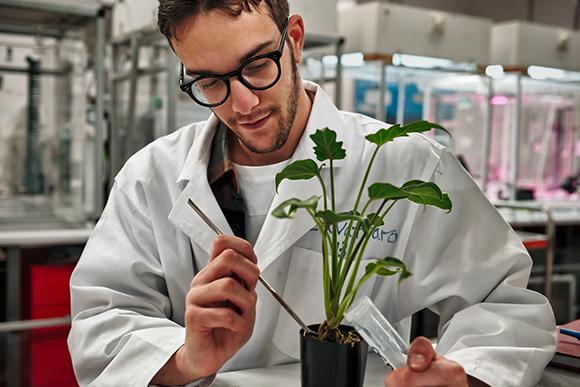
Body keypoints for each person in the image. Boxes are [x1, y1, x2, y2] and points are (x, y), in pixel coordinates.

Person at [67, 1, 556, 386]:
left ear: (294, 40)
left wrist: (465, 375)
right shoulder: (149, 176)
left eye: (257, 65)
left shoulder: (400, 165)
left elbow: (503, 303)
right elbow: (102, 322)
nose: (242, 103)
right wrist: (184, 358)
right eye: (209, 82)